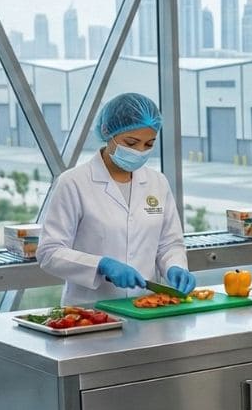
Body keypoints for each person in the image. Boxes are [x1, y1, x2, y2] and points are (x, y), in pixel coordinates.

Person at [38, 93, 196, 306]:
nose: (140, 152)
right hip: (90, 311)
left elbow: (169, 243)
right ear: (107, 132)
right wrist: (101, 265)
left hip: (146, 308)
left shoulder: (157, 182)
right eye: (131, 143)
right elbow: (49, 252)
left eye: (148, 144)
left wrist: (175, 266)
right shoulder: (74, 183)